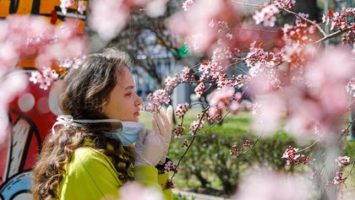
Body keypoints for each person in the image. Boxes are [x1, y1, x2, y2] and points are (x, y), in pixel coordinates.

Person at [32, 48, 174, 200]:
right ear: (98, 102)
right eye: (128, 93)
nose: (139, 101)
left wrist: (158, 167)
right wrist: (144, 168)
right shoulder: (88, 161)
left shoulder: (114, 151)